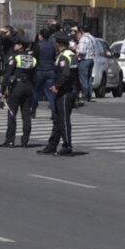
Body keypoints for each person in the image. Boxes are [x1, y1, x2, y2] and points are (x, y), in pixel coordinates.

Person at [43, 23, 81, 155]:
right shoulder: (71, 54)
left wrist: (56, 86)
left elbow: (65, 74)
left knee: (63, 120)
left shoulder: (65, 56)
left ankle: (67, 146)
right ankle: (52, 145)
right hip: (69, 91)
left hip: (66, 91)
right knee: (57, 119)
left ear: (59, 44)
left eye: (56, 43)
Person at [0, 27, 39, 148]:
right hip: (29, 87)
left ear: (20, 46)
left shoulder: (15, 58)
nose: (14, 47)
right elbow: (35, 76)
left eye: (16, 45)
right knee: (26, 115)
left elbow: (7, 75)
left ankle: (10, 140)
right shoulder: (33, 59)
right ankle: (25, 141)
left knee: (12, 113)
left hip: (16, 87)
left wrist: (2, 90)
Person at [75, 25, 103, 100]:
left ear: (82, 30)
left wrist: (76, 49)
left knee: (83, 78)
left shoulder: (84, 39)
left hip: (84, 60)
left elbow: (82, 51)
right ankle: (89, 95)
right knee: (89, 78)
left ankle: (85, 95)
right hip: (91, 59)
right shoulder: (92, 38)